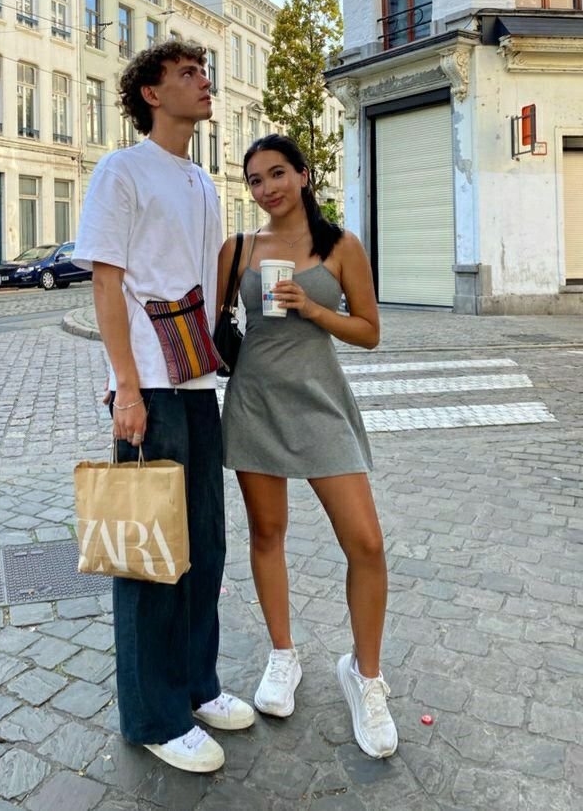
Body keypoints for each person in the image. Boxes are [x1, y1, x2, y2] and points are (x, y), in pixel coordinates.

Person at [73, 40, 254, 774]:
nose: (204, 84)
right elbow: (106, 282)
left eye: (203, 73)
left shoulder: (202, 181)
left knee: (204, 546)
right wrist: (124, 385)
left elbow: (210, 283)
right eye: (187, 74)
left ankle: (197, 684)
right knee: (151, 557)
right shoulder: (122, 171)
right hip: (148, 387)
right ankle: (153, 713)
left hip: (198, 383)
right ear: (151, 92)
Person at [217, 134, 398, 759]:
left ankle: (364, 675)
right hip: (256, 402)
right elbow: (215, 325)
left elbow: (370, 333)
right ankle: (283, 655)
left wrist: (313, 309)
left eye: (276, 174)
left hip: (320, 402)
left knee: (366, 541)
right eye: (255, 180)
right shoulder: (238, 248)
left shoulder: (341, 246)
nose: (266, 188)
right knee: (267, 533)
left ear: (303, 175)